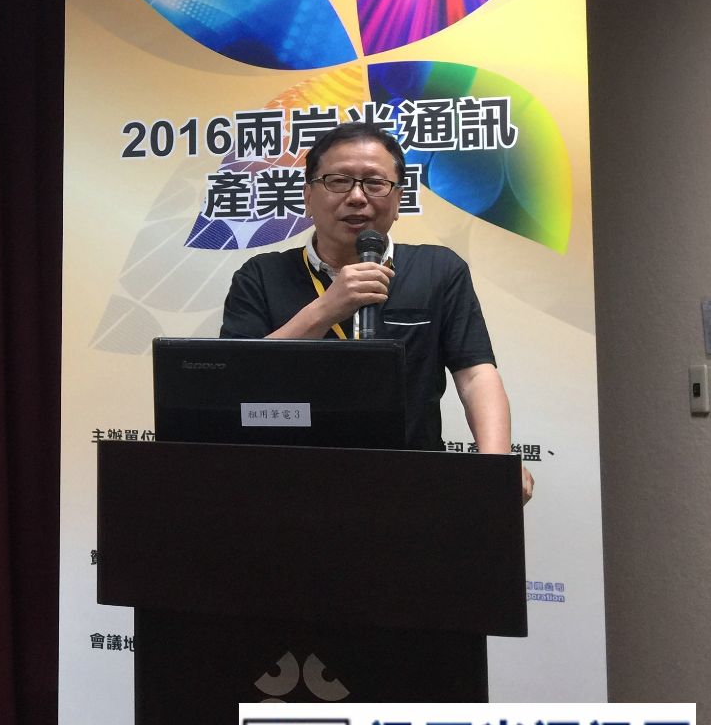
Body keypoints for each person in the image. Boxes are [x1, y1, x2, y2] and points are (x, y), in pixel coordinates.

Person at [219, 121, 533, 504]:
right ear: (308, 197)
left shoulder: (439, 270)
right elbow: (236, 384)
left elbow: (475, 374)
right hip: (289, 485)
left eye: (374, 183)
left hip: (412, 485)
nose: (356, 197)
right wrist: (326, 308)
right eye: (338, 181)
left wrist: (497, 464)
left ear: (398, 199)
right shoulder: (261, 275)